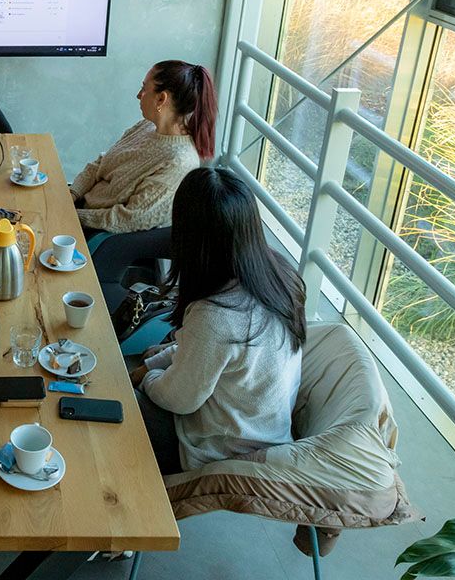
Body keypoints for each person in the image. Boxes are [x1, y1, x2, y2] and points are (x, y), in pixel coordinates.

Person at [129, 167, 306, 474]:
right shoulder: (278, 274)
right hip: (265, 431)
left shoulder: (217, 315)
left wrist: (145, 378)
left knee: (113, 398)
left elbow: (180, 399)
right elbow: (207, 354)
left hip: (219, 449)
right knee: (137, 368)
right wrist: (154, 363)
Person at [70, 60, 217, 249]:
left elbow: (129, 219)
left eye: (144, 89)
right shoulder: (145, 127)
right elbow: (101, 163)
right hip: (79, 210)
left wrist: (72, 215)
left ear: (161, 99)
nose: (138, 95)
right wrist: (72, 194)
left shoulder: (179, 162)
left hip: (95, 233)